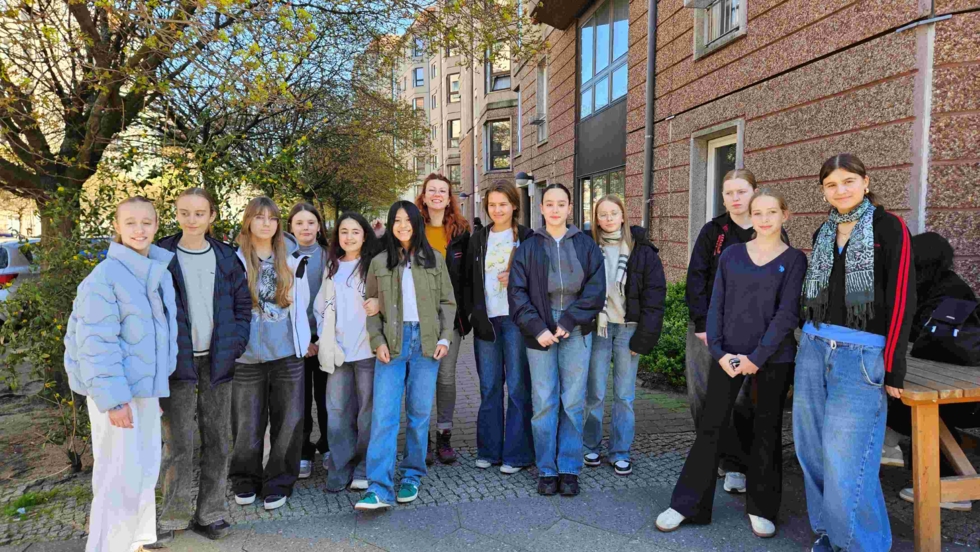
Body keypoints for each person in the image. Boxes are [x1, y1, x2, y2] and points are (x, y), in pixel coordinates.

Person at [656, 189, 806, 538]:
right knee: (711, 427)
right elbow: (717, 306)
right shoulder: (732, 255)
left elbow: (787, 315)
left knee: (765, 430)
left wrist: (757, 358)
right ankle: (687, 505)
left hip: (773, 358)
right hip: (728, 358)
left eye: (772, 212)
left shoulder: (795, 259)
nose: (765, 219)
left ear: (786, 215)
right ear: (750, 217)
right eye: (758, 212)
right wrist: (721, 352)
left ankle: (762, 507)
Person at [794, 153, 915, 552]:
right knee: (811, 450)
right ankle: (831, 534)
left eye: (848, 181)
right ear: (823, 191)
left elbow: (902, 299)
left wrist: (894, 368)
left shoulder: (890, 227)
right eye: (831, 184)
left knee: (847, 458)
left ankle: (864, 545)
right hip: (812, 348)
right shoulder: (822, 232)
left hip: (859, 357)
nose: (840, 190)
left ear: (865, 181)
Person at [64, 196, 178, 552]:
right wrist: (114, 401)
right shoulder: (104, 278)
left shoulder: (155, 272)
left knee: (144, 472)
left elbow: (157, 339)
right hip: (117, 397)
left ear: (157, 225)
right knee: (117, 478)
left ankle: (136, 542)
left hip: (143, 393)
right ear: (117, 227)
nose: (139, 229)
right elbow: (96, 345)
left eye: (146, 222)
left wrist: (156, 392)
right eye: (130, 222)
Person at [150, 188, 251, 547]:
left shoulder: (225, 256)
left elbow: (242, 304)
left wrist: (235, 343)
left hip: (217, 359)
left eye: (199, 213)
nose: (191, 219)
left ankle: (209, 513)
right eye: (184, 212)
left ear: (211, 216)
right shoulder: (160, 254)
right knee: (177, 441)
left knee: (218, 439)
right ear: (175, 215)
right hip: (177, 362)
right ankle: (173, 514)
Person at [354, 201, 456, 510]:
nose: (402, 225)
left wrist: (445, 338)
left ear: (416, 223)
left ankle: (412, 474)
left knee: (418, 414)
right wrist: (377, 339)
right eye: (396, 220)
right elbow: (371, 304)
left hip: (425, 345)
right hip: (392, 345)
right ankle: (379, 487)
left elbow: (447, 303)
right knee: (384, 416)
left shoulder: (435, 260)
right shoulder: (379, 262)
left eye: (407, 220)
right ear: (390, 224)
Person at [509, 183, 605, 497]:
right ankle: (547, 469)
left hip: (575, 326)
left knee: (573, 401)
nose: (554, 209)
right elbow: (517, 292)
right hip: (539, 327)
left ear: (569, 208)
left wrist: (569, 319)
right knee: (543, 401)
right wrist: (537, 326)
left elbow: (595, 290)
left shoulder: (586, 245)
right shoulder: (529, 246)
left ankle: (569, 468)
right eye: (549, 204)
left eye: (560, 204)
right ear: (541, 208)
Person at [229, 196, 312, 511]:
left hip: (286, 355)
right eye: (259, 217)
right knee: (247, 423)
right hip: (246, 356)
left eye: (272, 218)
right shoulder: (234, 261)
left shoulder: (291, 259)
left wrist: (304, 342)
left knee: (288, 422)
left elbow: (300, 307)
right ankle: (245, 479)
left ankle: (278, 481)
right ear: (248, 221)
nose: (266, 223)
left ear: (278, 224)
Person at [885, 232, 978, 511]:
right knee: (888, 390)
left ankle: (950, 488)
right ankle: (889, 446)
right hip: (937, 372)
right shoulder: (924, 285)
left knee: (920, 404)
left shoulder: (951, 290)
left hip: (959, 386)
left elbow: (927, 335)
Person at [684, 168, 761, 493]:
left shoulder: (766, 228)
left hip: (748, 331)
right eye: (728, 192)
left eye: (740, 191)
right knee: (702, 392)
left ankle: (736, 464)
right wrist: (702, 325)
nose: (734, 198)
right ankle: (710, 453)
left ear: (753, 193)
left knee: (742, 397)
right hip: (708, 330)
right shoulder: (713, 231)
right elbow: (696, 278)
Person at [584, 194, 666, 476]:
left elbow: (655, 297)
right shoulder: (588, 247)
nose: (608, 219)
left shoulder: (641, 250)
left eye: (613, 213)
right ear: (596, 219)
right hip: (598, 328)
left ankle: (620, 451)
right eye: (602, 214)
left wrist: (644, 338)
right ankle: (589, 446)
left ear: (623, 216)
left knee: (624, 395)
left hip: (628, 330)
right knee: (594, 391)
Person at [467, 181, 534, 474]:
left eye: (503, 204)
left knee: (519, 387)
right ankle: (489, 450)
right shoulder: (478, 239)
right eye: (492, 205)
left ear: (514, 206)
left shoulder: (528, 238)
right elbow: (469, 281)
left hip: (517, 321)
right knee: (489, 387)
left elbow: (540, 280)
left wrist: (519, 279)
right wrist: (473, 315)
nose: (497, 210)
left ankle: (517, 454)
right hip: (487, 322)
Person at [315, 212, 379, 493]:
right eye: (343, 231)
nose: (349, 236)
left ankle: (365, 465)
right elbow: (321, 309)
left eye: (355, 231)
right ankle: (340, 467)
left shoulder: (373, 266)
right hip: (338, 352)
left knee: (367, 412)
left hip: (368, 351)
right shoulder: (332, 267)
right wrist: (326, 338)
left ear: (365, 235)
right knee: (338, 412)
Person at [415, 173, 470, 464]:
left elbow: (469, 277)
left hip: (451, 318)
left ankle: (444, 436)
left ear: (449, 198)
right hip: (418, 316)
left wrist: (469, 314)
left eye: (443, 191)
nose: (437, 195)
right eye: (431, 190)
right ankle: (421, 438)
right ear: (423, 196)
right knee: (422, 378)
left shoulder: (460, 232)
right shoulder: (412, 229)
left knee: (446, 378)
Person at [288, 202, 330, 480]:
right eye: (299, 223)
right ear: (290, 227)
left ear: (318, 226)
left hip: (325, 336)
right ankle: (302, 450)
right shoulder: (282, 257)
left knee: (327, 397)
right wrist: (303, 339)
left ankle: (327, 445)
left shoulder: (329, 256)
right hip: (294, 338)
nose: (306, 228)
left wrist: (320, 338)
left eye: (311, 222)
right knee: (299, 400)